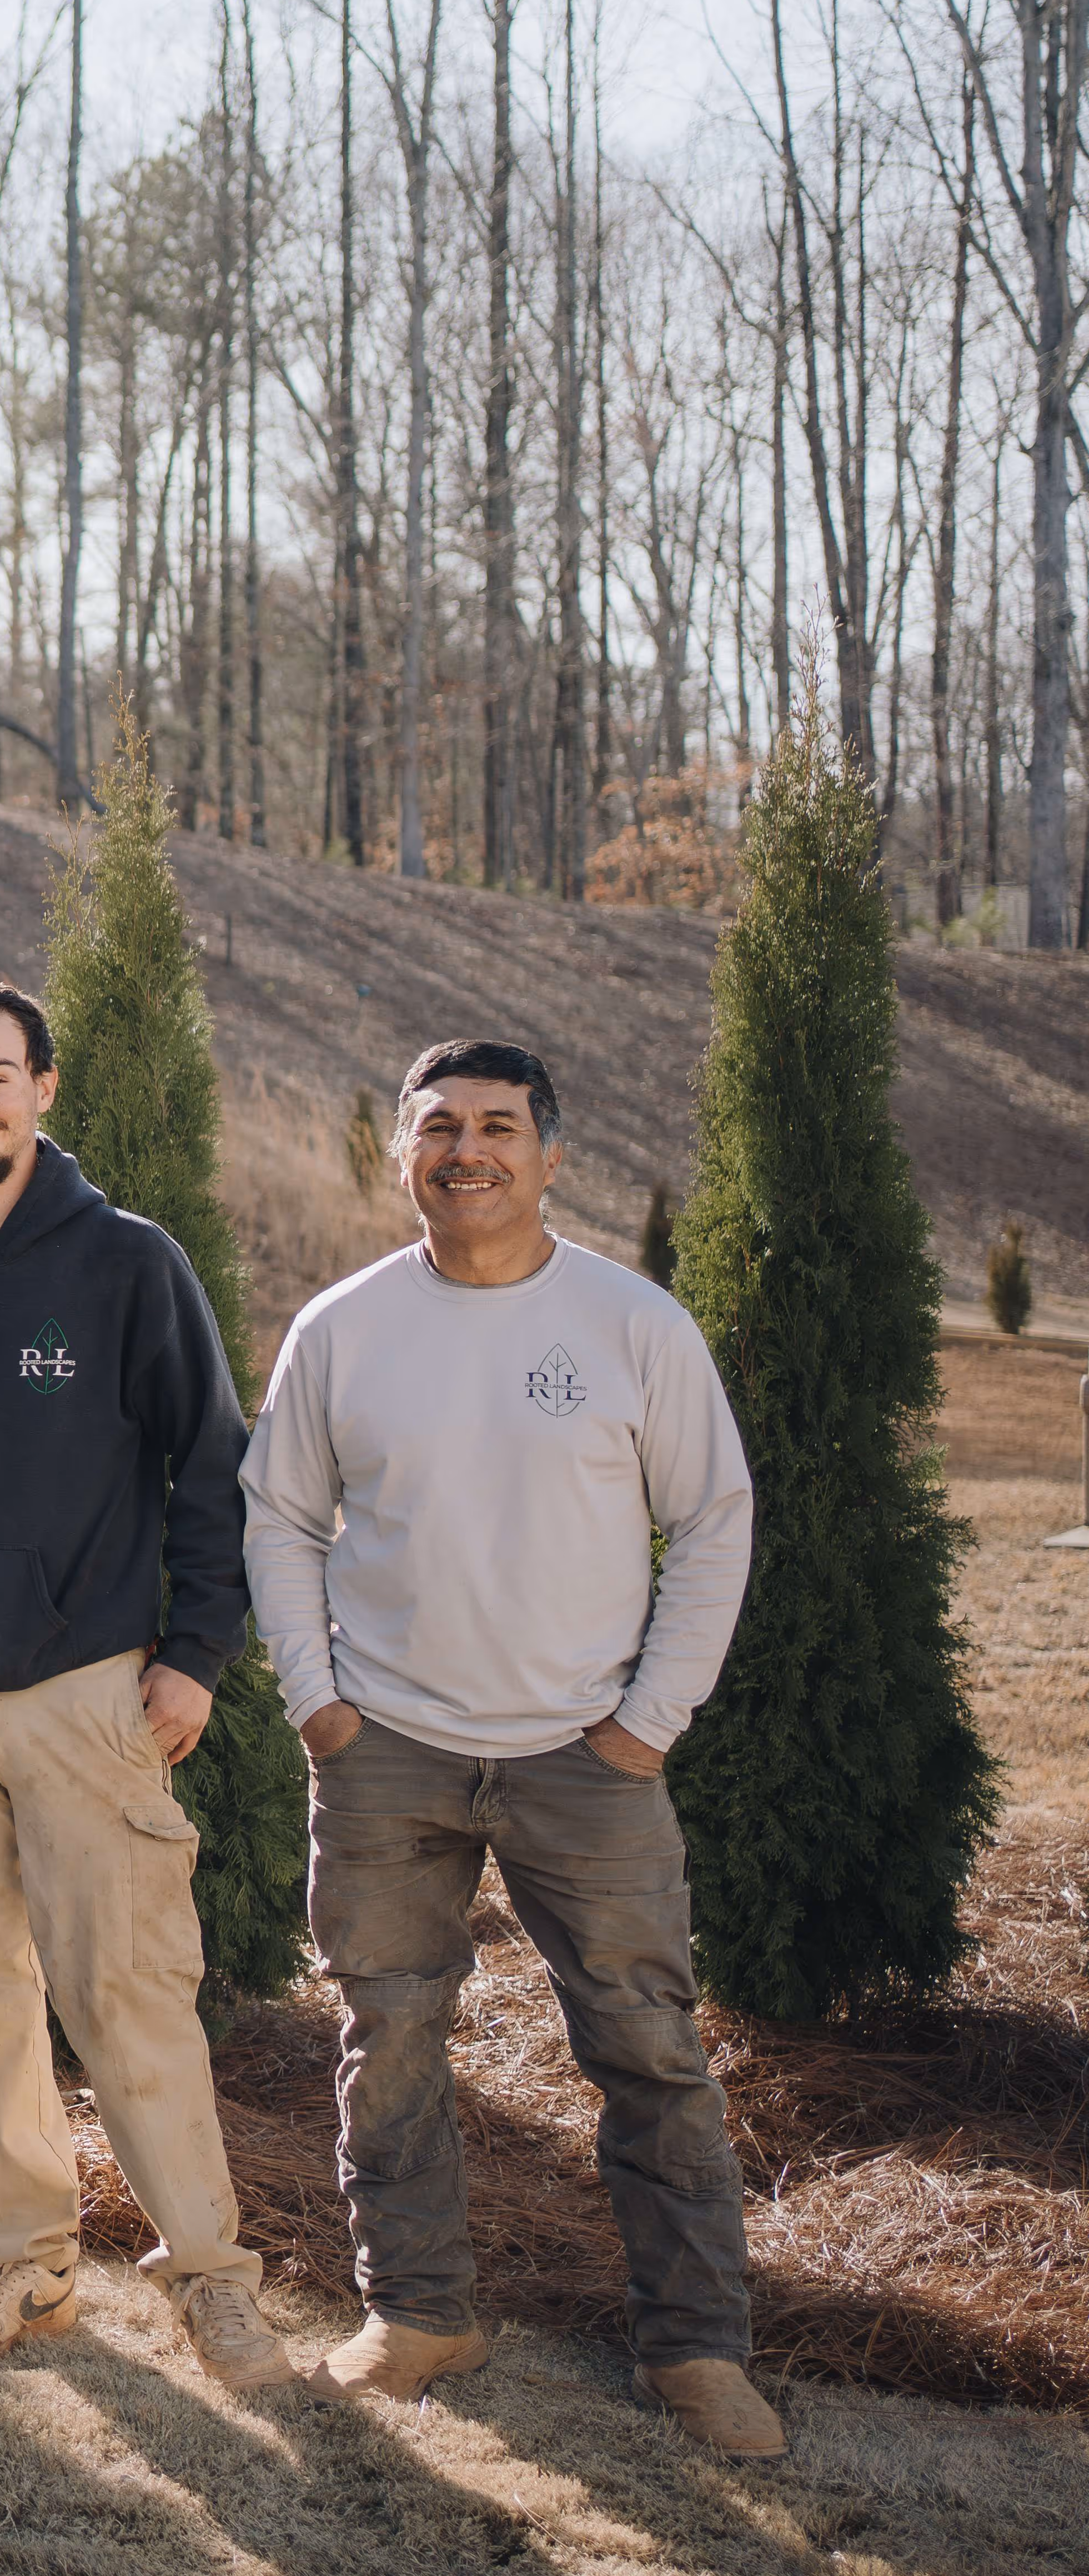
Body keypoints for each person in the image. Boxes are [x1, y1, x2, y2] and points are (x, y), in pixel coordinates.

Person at [243, 1040, 772, 2454]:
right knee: (391, 2039)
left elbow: (714, 1518)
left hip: (585, 1760)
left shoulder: (630, 1322)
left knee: (650, 2050)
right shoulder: (344, 1326)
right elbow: (281, 1516)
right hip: (389, 1750)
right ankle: (417, 2309)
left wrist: (647, 1720)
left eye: (496, 1127)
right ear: (401, 1152)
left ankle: (696, 2348)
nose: (465, 1150)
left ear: (550, 1155)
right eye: (438, 1128)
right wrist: (320, 1701)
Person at [0, 978, 294, 2390]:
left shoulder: (125, 1265)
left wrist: (196, 1654)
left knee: (129, 1988)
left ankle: (212, 2278)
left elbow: (213, 1466)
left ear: (44, 1086)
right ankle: (24, 2261)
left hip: (82, 1691)